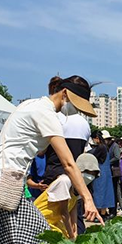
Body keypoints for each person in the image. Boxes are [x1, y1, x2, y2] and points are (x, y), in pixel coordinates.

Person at [0, 75, 102, 244]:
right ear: (64, 93)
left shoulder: (30, 104)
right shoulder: (46, 114)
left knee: (1, 241)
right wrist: (88, 199)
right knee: (37, 234)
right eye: (76, 105)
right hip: (4, 180)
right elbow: (69, 163)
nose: (75, 112)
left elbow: (34, 148)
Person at [41, 79, 91, 234]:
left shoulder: (54, 118)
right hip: (73, 178)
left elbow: (42, 152)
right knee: (74, 216)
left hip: (55, 176)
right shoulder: (84, 123)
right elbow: (82, 155)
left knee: (55, 218)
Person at [33, 153, 100, 239]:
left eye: (93, 173)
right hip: (39, 220)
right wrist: (71, 235)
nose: (90, 176)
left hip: (54, 221)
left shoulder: (78, 187)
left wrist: (74, 230)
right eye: (87, 172)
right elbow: (64, 212)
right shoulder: (64, 181)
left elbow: (73, 208)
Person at [89, 130, 115, 219]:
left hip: (100, 172)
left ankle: (98, 214)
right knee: (106, 193)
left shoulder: (100, 147)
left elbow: (93, 157)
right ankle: (103, 213)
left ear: (96, 138)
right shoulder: (106, 146)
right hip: (107, 172)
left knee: (98, 193)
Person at [106, 131, 122, 217]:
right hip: (109, 171)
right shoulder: (108, 146)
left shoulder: (114, 146)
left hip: (114, 171)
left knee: (114, 192)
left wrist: (107, 162)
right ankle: (110, 210)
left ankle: (113, 211)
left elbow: (117, 157)